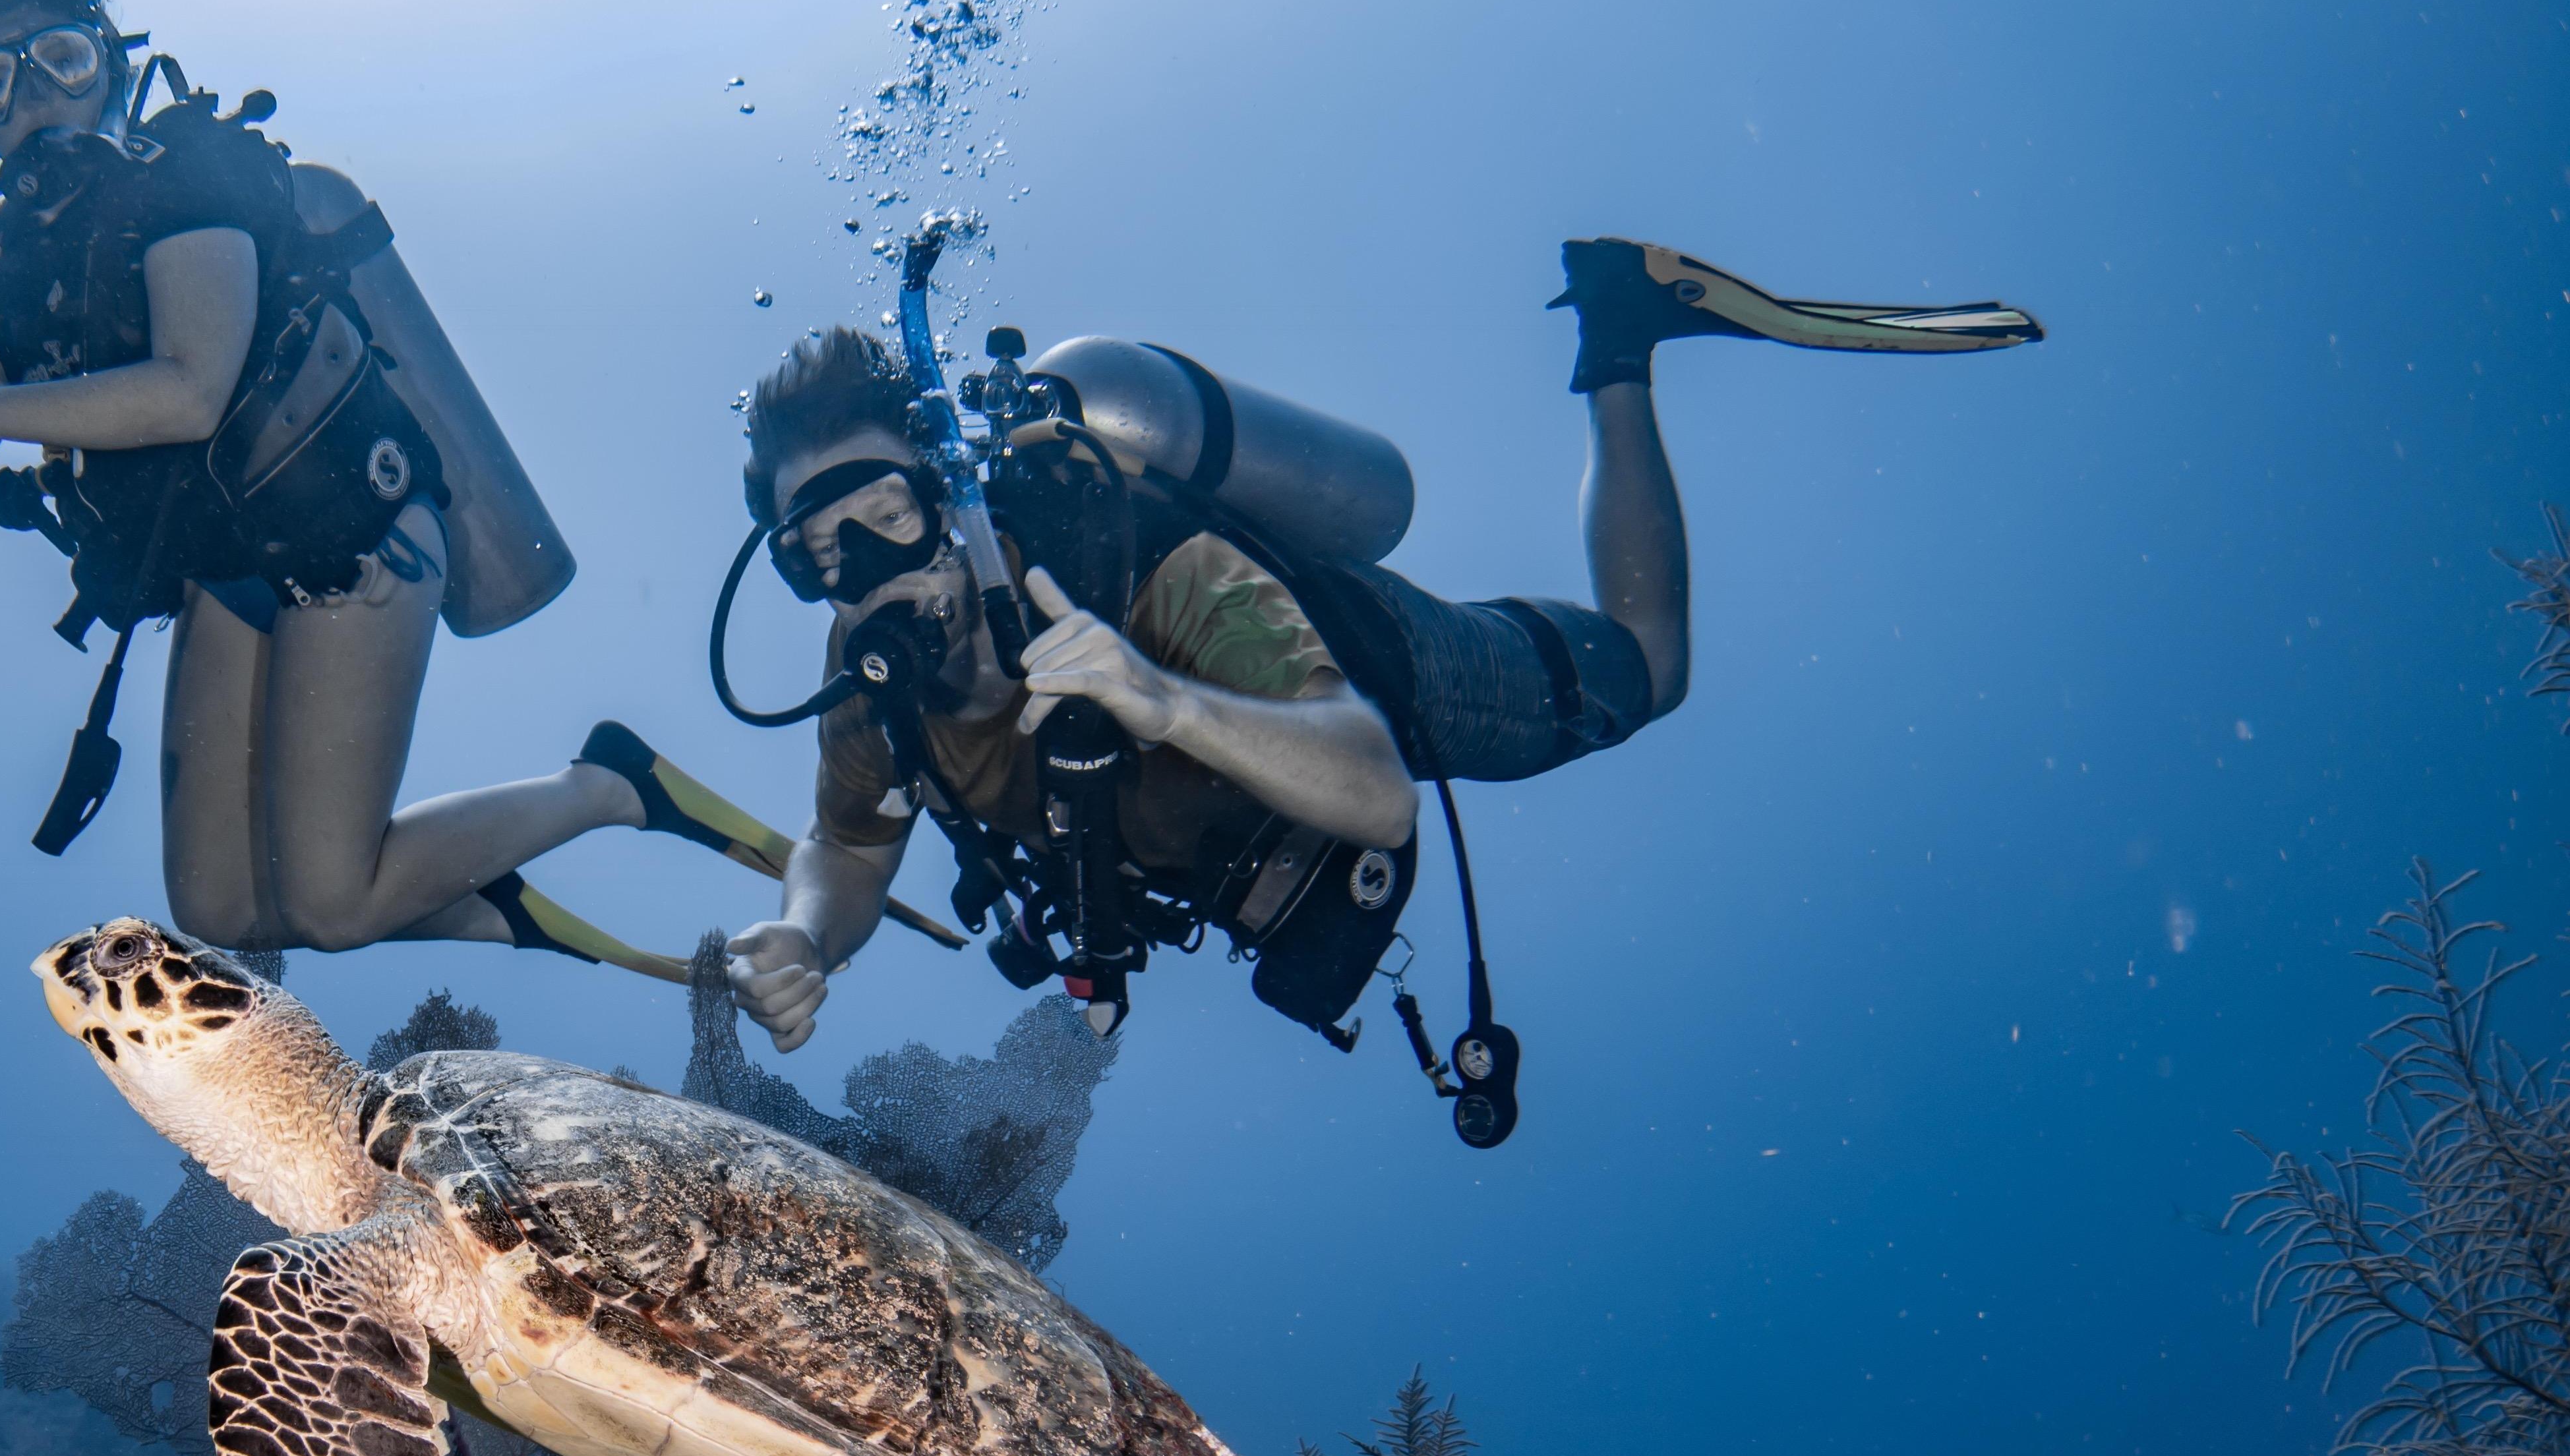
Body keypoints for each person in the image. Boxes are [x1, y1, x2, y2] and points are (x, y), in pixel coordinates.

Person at [705, 236, 2039, 1061]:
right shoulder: (867, 699)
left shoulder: (1131, 569)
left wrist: (1163, 696)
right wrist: (806, 939)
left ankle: (1621, 336)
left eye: (883, 519)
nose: (864, 579)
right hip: (1237, 833)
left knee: (1648, 671)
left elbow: (1373, 785)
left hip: (1379, 670)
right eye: (816, 555)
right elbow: (852, 846)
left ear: (945, 498)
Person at [0, 0, 667, 959]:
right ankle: (472, 896)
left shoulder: (185, 173)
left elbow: (188, 393)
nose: (36, 100)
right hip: (223, 566)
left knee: (325, 905)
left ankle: (605, 786)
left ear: (112, 60)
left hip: (348, 521)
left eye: (60, 61)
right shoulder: (1, 265)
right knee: (220, 913)